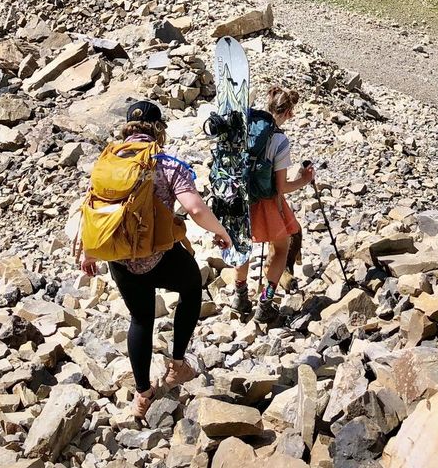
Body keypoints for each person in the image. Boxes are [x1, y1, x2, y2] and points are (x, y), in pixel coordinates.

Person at [76, 100, 233, 420]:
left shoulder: (108, 161)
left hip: (119, 256)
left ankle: (143, 394)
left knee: (140, 319)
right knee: (192, 286)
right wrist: (221, 232)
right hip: (158, 256)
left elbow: (96, 208)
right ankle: (177, 365)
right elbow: (195, 208)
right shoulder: (167, 163)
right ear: (159, 129)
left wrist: (90, 252)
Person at [233, 85, 314, 324]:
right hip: (267, 203)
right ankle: (265, 303)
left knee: (242, 246)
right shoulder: (279, 140)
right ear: (288, 112)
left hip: (238, 198)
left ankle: (239, 296)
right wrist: (304, 180)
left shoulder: (246, 127)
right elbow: (281, 187)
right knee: (281, 248)